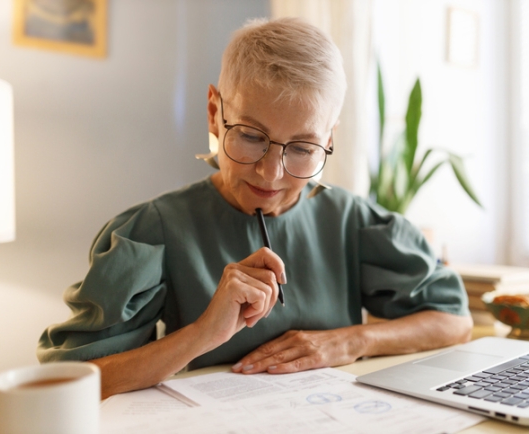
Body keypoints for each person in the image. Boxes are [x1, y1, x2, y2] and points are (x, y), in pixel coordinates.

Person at [37, 17, 472, 399]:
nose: (270, 174)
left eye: (302, 147)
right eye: (249, 135)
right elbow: (70, 380)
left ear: (329, 139)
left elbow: (454, 321)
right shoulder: (152, 231)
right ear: (213, 112)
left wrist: (347, 341)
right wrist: (204, 333)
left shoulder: (354, 222)